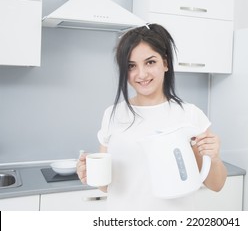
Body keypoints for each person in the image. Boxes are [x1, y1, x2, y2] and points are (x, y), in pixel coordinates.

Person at [76, 23, 227, 210]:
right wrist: (90, 172)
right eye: (131, 66)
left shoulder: (190, 115)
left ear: (165, 63)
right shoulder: (113, 115)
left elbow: (216, 185)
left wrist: (215, 158)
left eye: (150, 62)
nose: (141, 74)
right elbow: (106, 186)